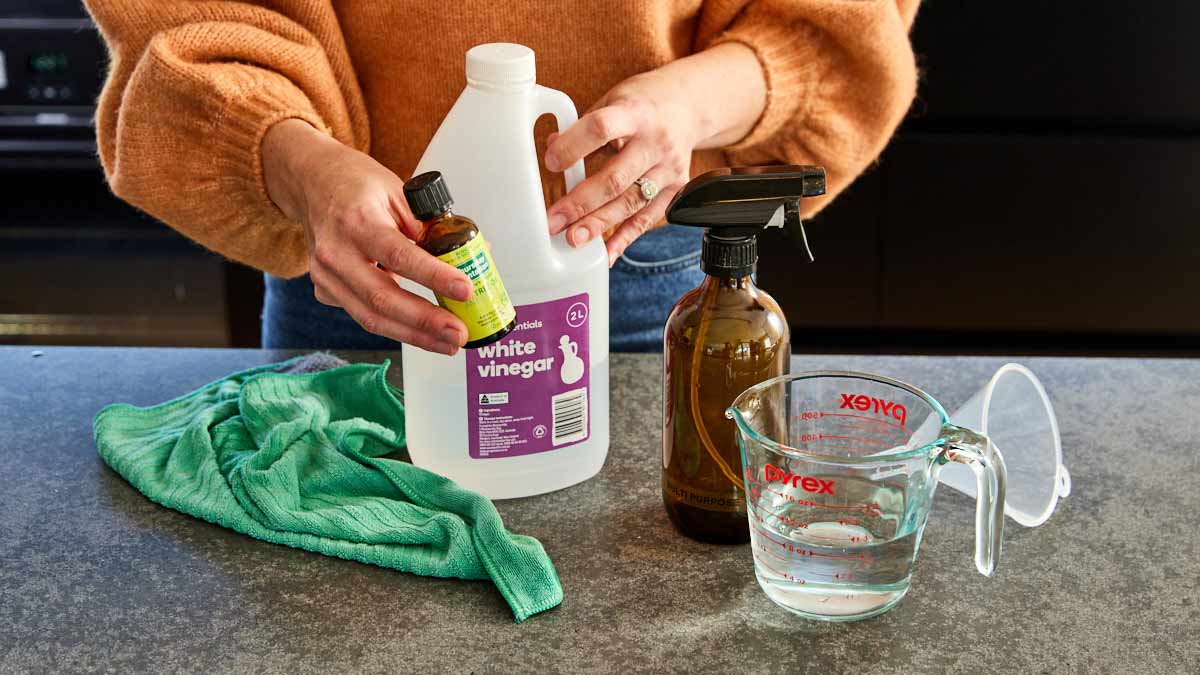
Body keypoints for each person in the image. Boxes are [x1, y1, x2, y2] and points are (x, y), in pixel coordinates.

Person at [85, 1, 919, 353]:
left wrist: (694, 104)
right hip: (364, 273)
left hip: (635, 269)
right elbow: (189, 15)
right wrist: (300, 163)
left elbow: (841, 18)